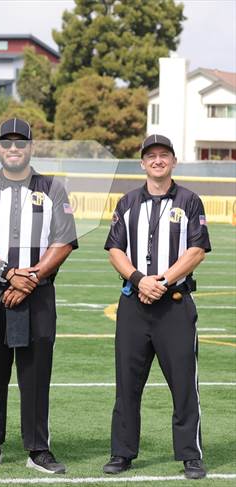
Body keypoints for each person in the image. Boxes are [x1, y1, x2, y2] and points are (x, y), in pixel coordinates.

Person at [0, 118, 77, 474]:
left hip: (38, 293)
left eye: (20, 143)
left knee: (36, 373)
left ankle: (38, 448)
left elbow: (64, 241)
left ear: (31, 147)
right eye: (7, 143)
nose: (14, 149)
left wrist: (32, 277)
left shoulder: (53, 188)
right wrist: (9, 273)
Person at [103, 134, 211, 480]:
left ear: (174, 161)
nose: (158, 160)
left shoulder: (190, 201)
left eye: (164, 155)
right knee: (127, 383)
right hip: (134, 305)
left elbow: (197, 250)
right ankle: (122, 453)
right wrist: (139, 280)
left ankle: (190, 454)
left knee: (184, 383)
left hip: (174, 305)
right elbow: (115, 249)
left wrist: (162, 281)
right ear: (142, 163)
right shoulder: (127, 202)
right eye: (151, 156)